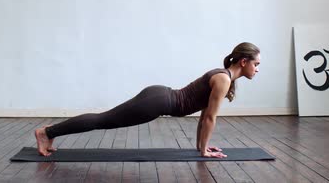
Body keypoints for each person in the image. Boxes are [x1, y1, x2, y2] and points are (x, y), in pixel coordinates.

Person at [35, 42, 260, 158]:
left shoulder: (223, 76)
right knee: (102, 120)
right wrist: (202, 152)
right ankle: (47, 132)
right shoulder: (223, 80)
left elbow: (204, 116)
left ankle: (50, 133)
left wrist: (202, 147)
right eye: (256, 64)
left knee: (103, 119)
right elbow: (210, 118)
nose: (257, 69)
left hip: (159, 96)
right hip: (158, 102)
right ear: (243, 61)